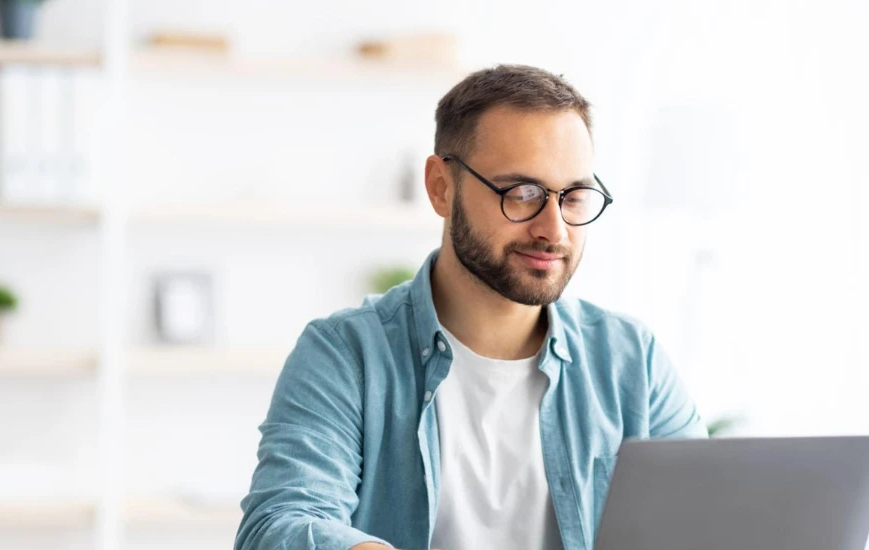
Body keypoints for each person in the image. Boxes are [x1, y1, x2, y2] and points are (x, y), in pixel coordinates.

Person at [234, 64, 706, 550]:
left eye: (574, 196)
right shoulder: (345, 355)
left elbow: (708, 519)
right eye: (522, 194)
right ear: (441, 186)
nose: (555, 230)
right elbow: (279, 524)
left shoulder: (632, 361)